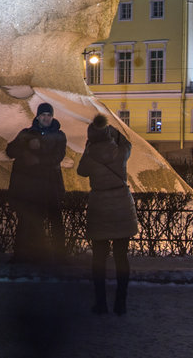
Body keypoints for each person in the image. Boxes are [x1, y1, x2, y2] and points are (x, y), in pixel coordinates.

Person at [77, 114, 138, 316]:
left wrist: (88, 147)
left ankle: (101, 303)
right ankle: (121, 303)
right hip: (121, 203)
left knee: (99, 259)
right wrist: (111, 131)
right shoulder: (119, 152)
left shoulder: (90, 154)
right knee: (121, 258)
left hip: (100, 207)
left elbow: (81, 171)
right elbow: (127, 143)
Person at [6, 102, 67, 262]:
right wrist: (26, 148)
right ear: (38, 116)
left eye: (49, 115)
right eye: (43, 115)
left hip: (51, 184)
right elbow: (10, 151)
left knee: (55, 220)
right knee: (28, 220)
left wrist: (37, 159)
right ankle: (23, 254)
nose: (46, 118)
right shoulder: (27, 133)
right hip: (31, 187)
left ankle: (60, 255)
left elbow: (57, 157)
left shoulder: (59, 135)